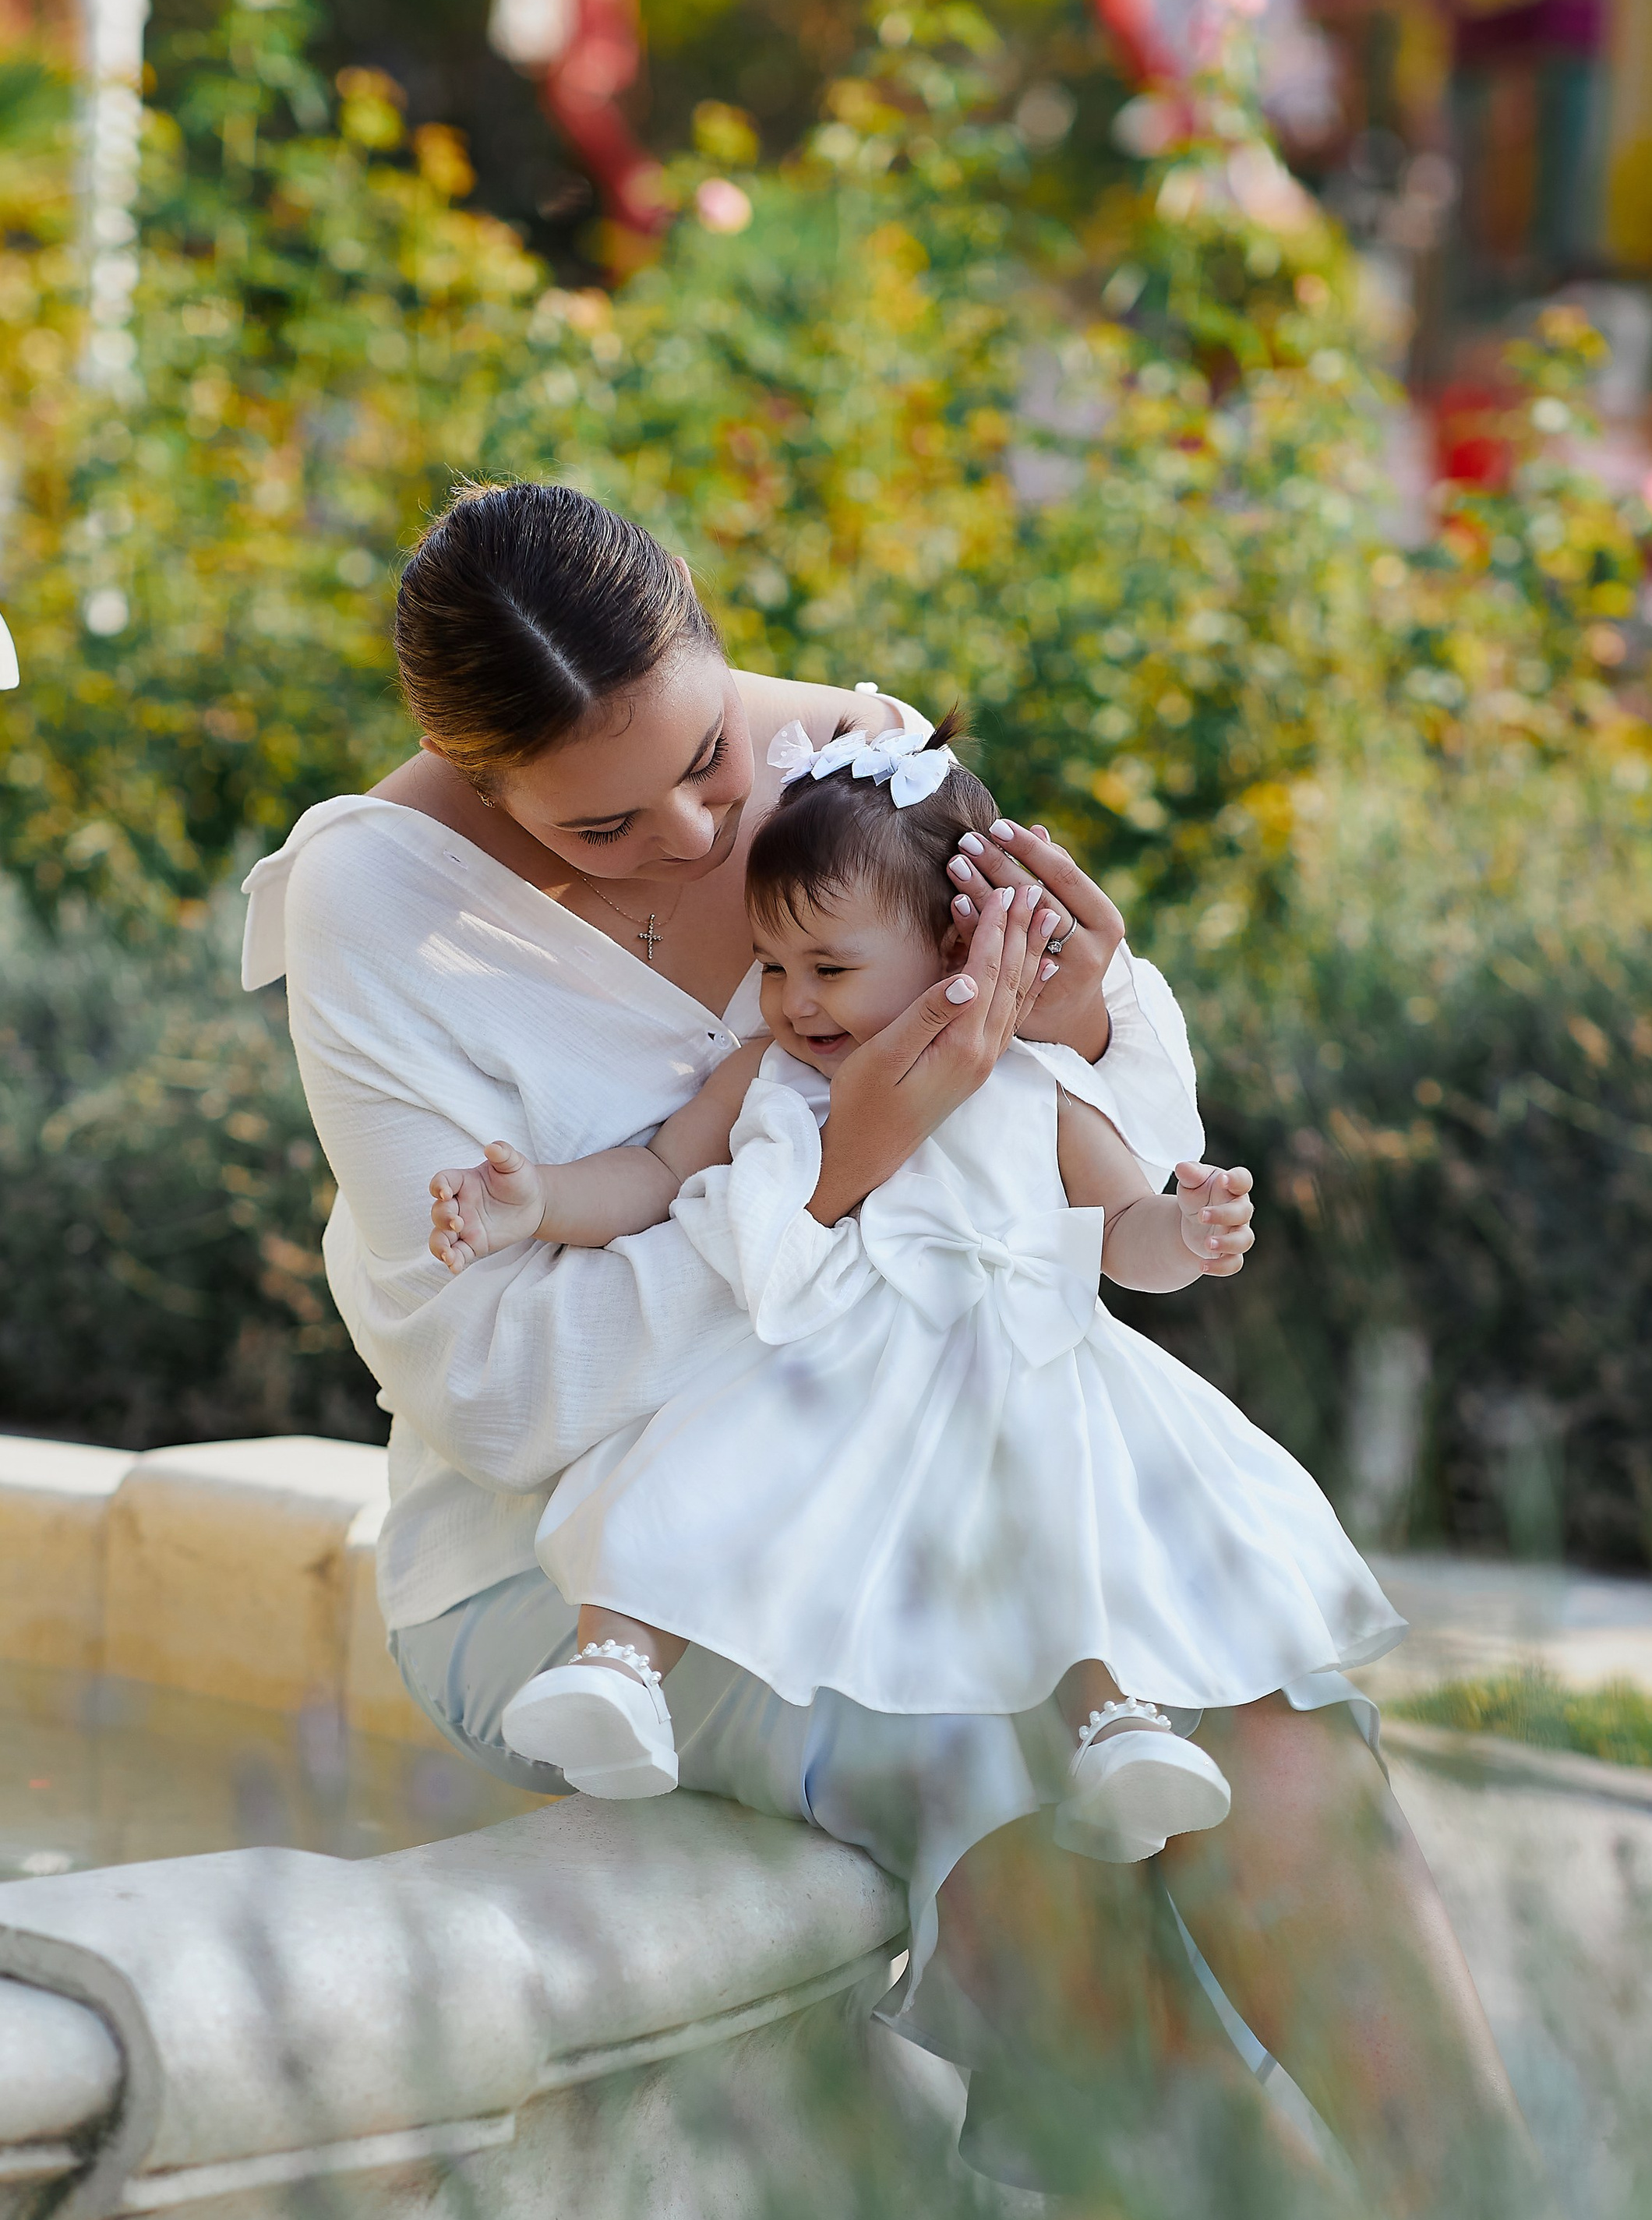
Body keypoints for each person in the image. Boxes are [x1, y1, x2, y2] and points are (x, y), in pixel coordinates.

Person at [241, 478, 1522, 2217]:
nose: (693, 834)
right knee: (991, 1762)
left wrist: (1086, 1013)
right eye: (602, 824)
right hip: (596, 1557)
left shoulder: (858, 767)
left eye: (709, 757)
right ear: (474, 773)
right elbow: (501, 1392)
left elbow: (1073, 1177)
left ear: (710, 640)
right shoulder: (380, 913)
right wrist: (832, 1180)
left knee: (1264, 1713)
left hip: (943, 1458)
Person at [422, 711, 1401, 1905]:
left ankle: (1118, 1729)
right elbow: (658, 1175)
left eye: (829, 967)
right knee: (692, 1475)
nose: (794, 1000)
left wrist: (1189, 1232)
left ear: (955, 947)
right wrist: (536, 1200)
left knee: (1065, 1527)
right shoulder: (770, 1074)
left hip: (1012, 1362)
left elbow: (1122, 1232)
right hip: (823, 1357)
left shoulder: (1032, 1079)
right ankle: (620, 1672)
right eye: (773, 966)